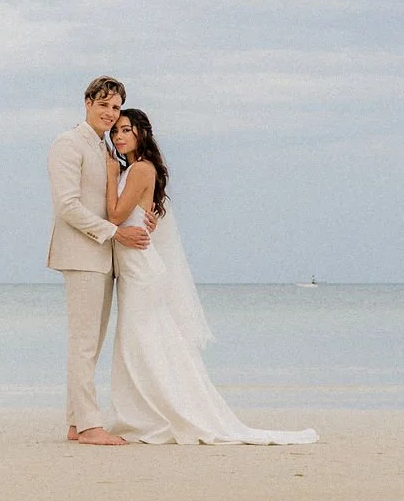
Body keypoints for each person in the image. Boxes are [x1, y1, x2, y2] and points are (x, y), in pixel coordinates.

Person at [106, 109, 319, 445]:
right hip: (135, 266)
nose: (119, 136)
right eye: (116, 130)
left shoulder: (139, 169)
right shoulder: (132, 170)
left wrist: (107, 173)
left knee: (142, 341)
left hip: (141, 270)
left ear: (141, 134)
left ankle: (160, 417)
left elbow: (115, 214)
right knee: (142, 341)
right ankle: (145, 415)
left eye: (126, 130)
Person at [46, 77, 152, 447]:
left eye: (116, 107)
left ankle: (77, 423)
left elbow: (119, 197)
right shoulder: (68, 143)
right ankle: (90, 426)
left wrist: (143, 218)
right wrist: (113, 232)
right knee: (84, 343)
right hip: (81, 254)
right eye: (104, 105)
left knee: (92, 342)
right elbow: (67, 206)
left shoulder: (107, 148)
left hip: (105, 258)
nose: (110, 113)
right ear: (88, 102)